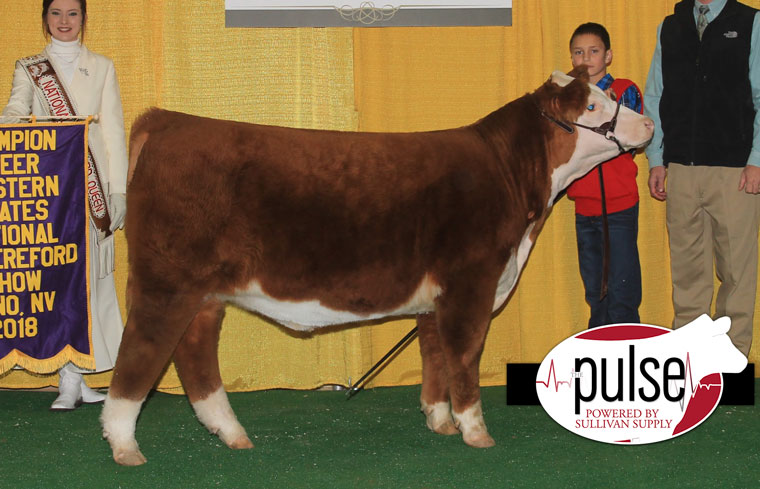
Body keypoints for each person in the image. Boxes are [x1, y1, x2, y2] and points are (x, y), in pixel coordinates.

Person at [2, 0, 128, 409]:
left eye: (72, 13)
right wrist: (13, 125)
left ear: (84, 19)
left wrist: (117, 189)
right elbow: (17, 109)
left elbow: (112, 131)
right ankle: (69, 378)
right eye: (56, 13)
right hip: (52, 192)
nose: (64, 21)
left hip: (90, 190)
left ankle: (75, 374)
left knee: (91, 282)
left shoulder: (104, 67)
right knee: (58, 281)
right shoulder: (29, 67)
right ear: (44, 20)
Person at [644, 0, 760, 357]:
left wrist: (757, 159)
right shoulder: (670, 25)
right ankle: (690, 362)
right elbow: (655, 94)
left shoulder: (751, 22)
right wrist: (656, 159)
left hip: (735, 170)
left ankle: (732, 359)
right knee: (688, 274)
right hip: (680, 168)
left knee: (736, 273)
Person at [566, 22, 643, 328]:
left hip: (619, 204)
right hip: (584, 206)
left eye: (594, 51)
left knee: (622, 290)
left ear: (608, 55)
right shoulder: (567, 96)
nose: (586, 58)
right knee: (595, 291)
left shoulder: (624, 90)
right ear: (571, 58)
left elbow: (635, 138)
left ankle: (628, 354)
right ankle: (598, 356)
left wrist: (608, 105)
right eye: (578, 52)